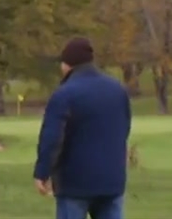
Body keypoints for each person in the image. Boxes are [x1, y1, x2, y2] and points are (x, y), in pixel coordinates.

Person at [32, 37, 132, 219]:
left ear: (67, 65)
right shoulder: (118, 90)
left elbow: (52, 138)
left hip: (74, 183)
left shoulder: (64, 94)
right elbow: (124, 130)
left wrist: (42, 172)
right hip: (112, 180)